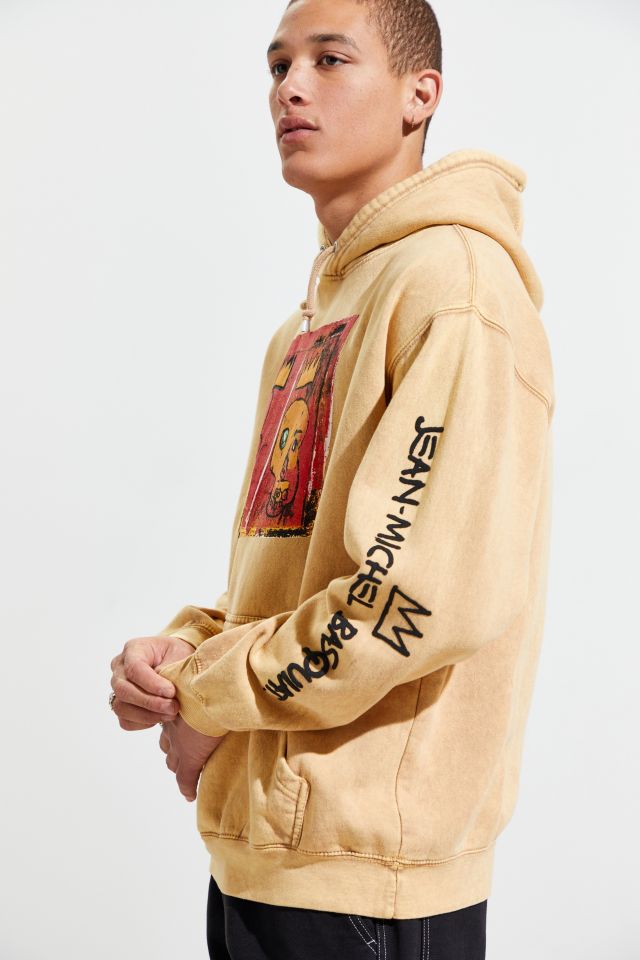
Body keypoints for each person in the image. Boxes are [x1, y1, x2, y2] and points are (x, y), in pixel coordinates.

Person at [108, 0, 555, 957]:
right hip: (261, 859)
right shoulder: (308, 322)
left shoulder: (456, 290)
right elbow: (294, 577)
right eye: (278, 66)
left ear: (420, 95)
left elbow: (408, 602)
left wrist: (207, 694)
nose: (291, 88)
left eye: (329, 59)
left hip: (371, 884)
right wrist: (183, 652)